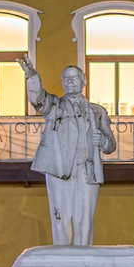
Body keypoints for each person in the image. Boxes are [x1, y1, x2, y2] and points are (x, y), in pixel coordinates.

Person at [19, 57, 117, 246]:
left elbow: (111, 144)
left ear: (84, 81)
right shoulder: (54, 106)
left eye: (74, 78)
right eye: (66, 78)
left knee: (85, 219)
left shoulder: (97, 111)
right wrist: (31, 75)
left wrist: (103, 141)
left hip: (87, 170)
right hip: (59, 169)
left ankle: (84, 257)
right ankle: (62, 256)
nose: (70, 81)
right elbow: (38, 99)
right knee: (61, 217)